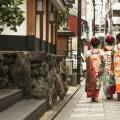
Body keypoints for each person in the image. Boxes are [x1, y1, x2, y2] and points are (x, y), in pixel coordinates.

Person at [85, 36, 103, 102]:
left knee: (91, 83)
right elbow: (103, 62)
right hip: (98, 70)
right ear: (98, 44)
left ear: (91, 44)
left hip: (91, 70)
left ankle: (92, 96)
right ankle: (96, 97)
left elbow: (86, 61)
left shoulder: (88, 52)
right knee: (98, 83)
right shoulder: (101, 52)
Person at [103, 35, 115, 99]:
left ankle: (108, 94)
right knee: (112, 80)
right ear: (113, 41)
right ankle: (111, 93)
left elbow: (103, 57)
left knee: (106, 79)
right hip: (112, 65)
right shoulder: (114, 48)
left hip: (106, 65)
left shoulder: (105, 48)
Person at [112, 33, 120, 101]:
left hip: (117, 66)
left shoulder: (115, 47)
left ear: (117, 39)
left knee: (118, 81)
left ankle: (119, 95)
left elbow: (112, 56)